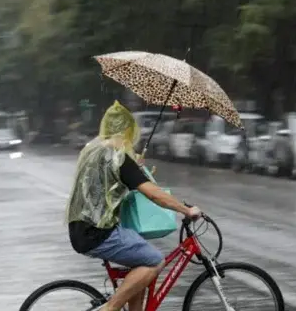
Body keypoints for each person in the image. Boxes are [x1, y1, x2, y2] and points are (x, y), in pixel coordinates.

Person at [66, 101, 201, 311]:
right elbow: (154, 195)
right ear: (128, 131)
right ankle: (110, 308)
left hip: (79, 228)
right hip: (99, 233)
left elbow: (105, 184)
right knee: (154, 261)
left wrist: (134, 168)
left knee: (140, 262)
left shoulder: (93, 151)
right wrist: (186, 210)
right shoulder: (119, 158)